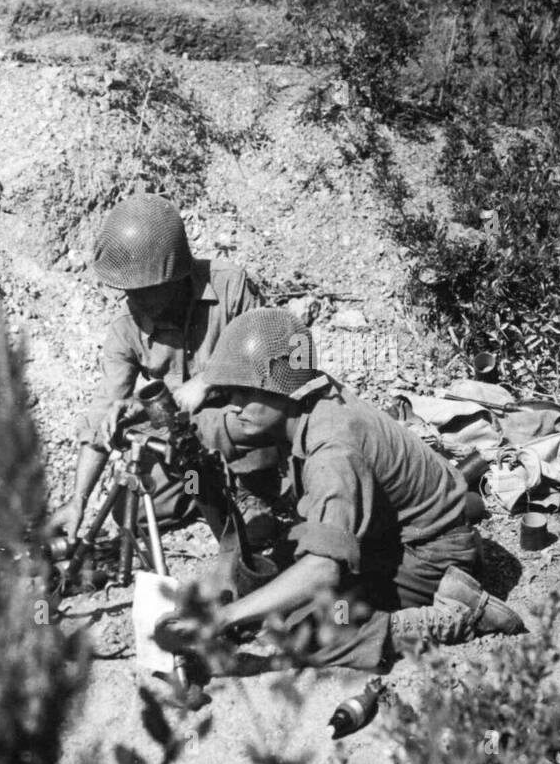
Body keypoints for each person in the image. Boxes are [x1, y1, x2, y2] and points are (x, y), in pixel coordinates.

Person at [158, 307, 527, 671]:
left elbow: (321, 572)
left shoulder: (333, 449)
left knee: (315, 625)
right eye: (228, 393)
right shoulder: (306, 397)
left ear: (276, 386)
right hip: (401, 535)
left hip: (429, 554)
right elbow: (225, 429)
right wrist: (164, 428)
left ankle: (453, 616)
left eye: (242, 392)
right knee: (282, 570)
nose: (232, 405)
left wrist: (224, 619)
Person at [46, 192, 277, 548]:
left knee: (239, 414)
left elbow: (272, 351)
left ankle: (252, 491)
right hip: (192, 437)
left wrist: (207, 381)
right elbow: (102, 413)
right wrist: (79, 499)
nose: (131, 299)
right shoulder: (126, 328)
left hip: (245, 419)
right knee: (131, 512)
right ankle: (209, 494)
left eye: (142, 290)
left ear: (173, 277)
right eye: (126, 290)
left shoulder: (229, 286)